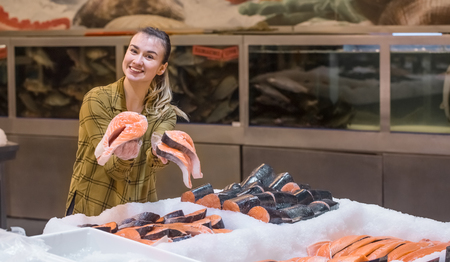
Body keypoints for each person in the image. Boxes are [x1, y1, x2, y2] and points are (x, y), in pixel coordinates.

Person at [65, 27, 188, 217]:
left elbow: (154, 161)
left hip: (139, 211)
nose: (137, 61)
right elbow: (110, 165)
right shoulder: (97, 99)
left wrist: (161, 152)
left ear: (161, 68)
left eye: (149, 56)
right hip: (93, 210)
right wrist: (125, 155)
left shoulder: (165, 114)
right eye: (133, 50)